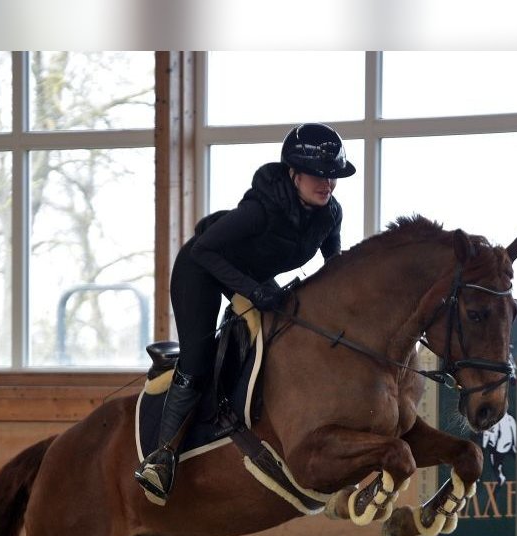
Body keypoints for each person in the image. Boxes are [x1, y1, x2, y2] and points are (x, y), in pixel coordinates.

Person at [134, 122, 356, 504]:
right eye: (320, 175)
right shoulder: (259, 211)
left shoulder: (329, 215)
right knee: (199, 357)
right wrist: (252, 290)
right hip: (200, 269)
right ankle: (161, 456)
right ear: (295, 173)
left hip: (251, 274)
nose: (329, 184)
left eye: (333, 176)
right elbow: (205, 250)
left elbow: (334, 268)